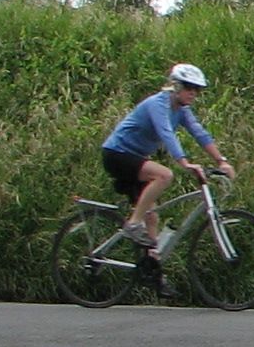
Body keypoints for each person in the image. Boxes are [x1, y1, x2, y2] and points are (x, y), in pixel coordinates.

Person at [100, 63, 235, 254]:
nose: (193, 93)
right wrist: (183, 162)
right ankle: (133, 224)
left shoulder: (182, 110)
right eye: (189, 88)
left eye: (197, 89)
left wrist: (221, 160)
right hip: (117, 154)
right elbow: (166, 133)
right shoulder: (158, 104)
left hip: (135, 157)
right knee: (164, 175)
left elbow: (200, 133)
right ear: (176, 86)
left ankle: (151, 268)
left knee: (152, 217)